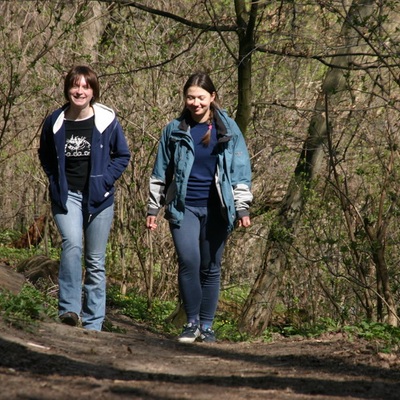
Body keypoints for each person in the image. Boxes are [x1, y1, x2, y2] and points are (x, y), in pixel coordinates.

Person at [146, 72, 253, 343]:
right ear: (185, 98)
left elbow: (240, 170)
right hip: (184, 207)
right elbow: (161, 171)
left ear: (212, 97)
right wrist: (153, 208)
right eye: (191, 97)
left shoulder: (227, 129)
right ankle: (191, 323)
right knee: (189, 261)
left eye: (201, 97)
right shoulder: (174, 129)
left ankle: (207, 326)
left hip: (218, 209)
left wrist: (242, 208)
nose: (196, 103)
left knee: (210, 266)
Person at [39, 65, 131, 331]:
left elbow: (122, 156)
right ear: (68, 89)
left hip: (99, 198)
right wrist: (55, 180)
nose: (80, 91)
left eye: (85, 87)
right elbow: (44, 155)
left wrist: (104, 180)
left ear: (93, 91)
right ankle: (69, 310)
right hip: (67, 196)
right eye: (75, 85)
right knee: (72, 245)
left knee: (95, 260)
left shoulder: (107, 121)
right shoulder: (55, 121)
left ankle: (93, 323)